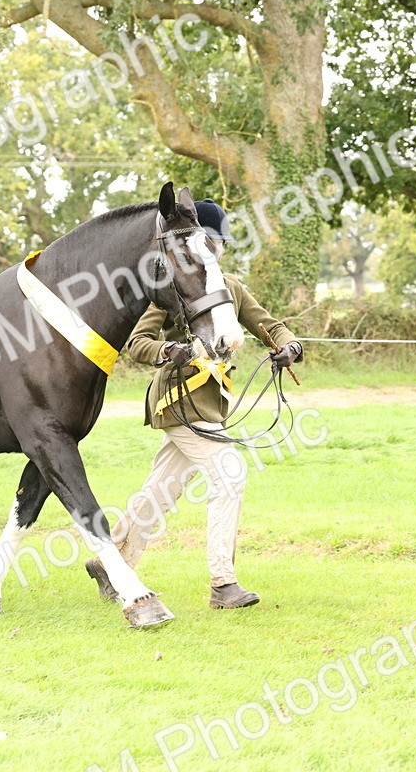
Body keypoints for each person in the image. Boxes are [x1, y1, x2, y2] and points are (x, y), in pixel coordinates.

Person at [85, 199, 303, 609]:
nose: (217, 248)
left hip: (210, 404)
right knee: (230, 474)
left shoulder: (231, 287)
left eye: (219, 242)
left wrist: (290, 345)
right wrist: (170, 350)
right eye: (211, 241)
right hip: (177, 401)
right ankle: (223, 583)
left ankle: (109, 561)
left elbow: (269, 325)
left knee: (161, 491)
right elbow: (138, 343)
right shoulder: (170, 287)